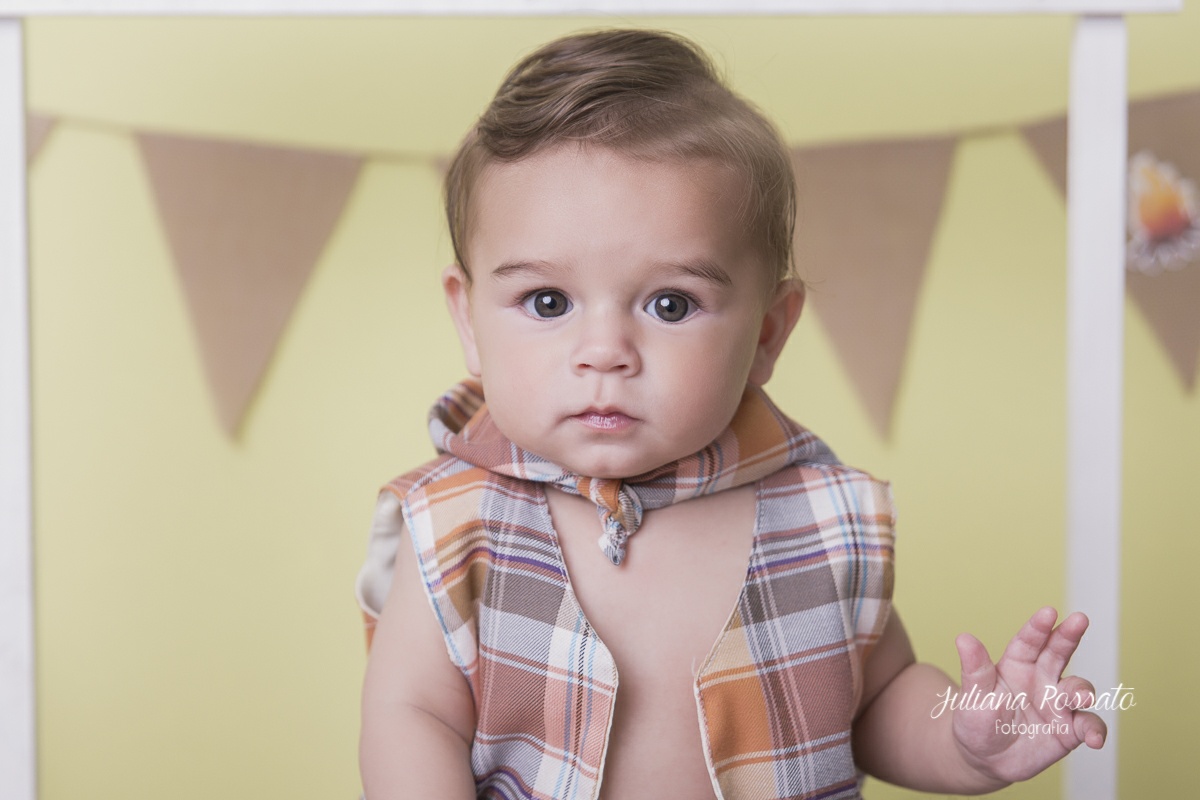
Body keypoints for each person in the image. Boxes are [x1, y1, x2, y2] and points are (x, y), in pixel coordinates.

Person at [356, 28, 1105, 800]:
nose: (605, 351)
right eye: (548, 302)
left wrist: (967, 741)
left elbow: (878, 700)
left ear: (767, 334)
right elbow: (410, 716)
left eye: (670, 303)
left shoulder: (821, 518)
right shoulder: (455, 523)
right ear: (469, 319)